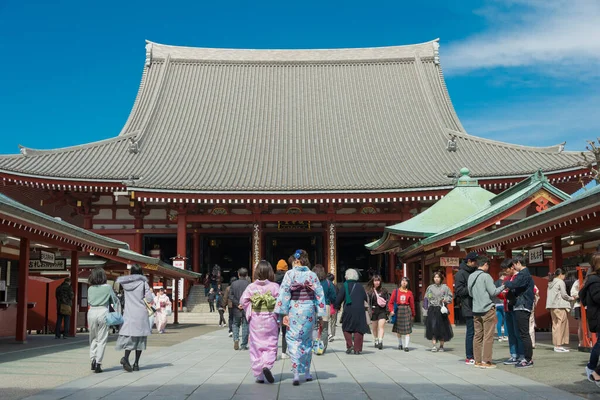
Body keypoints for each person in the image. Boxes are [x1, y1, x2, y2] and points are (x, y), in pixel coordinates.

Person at [274, 249, 325, 386]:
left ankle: (296, 373)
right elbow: (319, 294)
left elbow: (284, 293)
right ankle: (307, 372)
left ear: (296, 261)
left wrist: (282, 313)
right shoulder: (312, 275)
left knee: (292, 340)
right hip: (308, 310)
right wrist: (320, 313)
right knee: (307, 341)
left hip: (294, 310)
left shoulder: (290, 274)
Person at [240, 260, 280, 384]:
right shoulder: (274, 286)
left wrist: (251, 308)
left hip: (256, 319)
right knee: (271, 343)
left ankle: (260, 376)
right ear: (270, 272)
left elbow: (243, 301)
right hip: (270, 319)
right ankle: (267, 364)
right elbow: (280, 302)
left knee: (256, 346)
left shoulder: (251, 287)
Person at [115, 264, 154, 372]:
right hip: (140, 314)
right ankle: (136, 364)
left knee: (130, 338)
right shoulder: (143, 283)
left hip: (128, 313)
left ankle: (126, 357)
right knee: (140, 340)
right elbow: (149, 299)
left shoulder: (125, 283)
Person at [468, 256, 505, 368]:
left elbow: (470, 293)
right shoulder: (486, 276)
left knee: (477, 335)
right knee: (488, 336)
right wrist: (504, 286)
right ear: (485, 265)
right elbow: (493, 292)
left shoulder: (471, 276)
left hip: (476, 309)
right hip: (487, 308)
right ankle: (486, 361)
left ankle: (477, 360)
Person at [503, 255, 535, 368]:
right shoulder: (525, 274)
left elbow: (514, 284)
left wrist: (505, 283)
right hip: (521, 304)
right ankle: (526, 358)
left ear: (518, 263)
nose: (514, 267)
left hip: (522, 305)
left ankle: (527, 358)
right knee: (523, 333)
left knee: (524, 334)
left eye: (514, 264)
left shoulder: (524, 274)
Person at [87, 267, 119, 373]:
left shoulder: (90, 288)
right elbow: (115, 301)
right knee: (102, 339)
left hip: (91, 312)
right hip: (103, 311)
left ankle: (92, 359)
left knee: (93, 338)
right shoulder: (107, 287)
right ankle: (98, 363)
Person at [334, 268, 369, 355]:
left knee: (346, 327)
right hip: (360, 310)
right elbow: (365, 297)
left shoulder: (345, 285)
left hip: (348, 309)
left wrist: (336, 306)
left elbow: (339, 298)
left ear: (347, 276)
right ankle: (357, 349)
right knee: (358, 329)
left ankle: (350, 345)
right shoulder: (360, 286)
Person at [454, 252, 478, 364]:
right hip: (468, 305)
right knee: (471, 332)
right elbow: (459, 291)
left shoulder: (477, 272)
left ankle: (477, 354)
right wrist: (472, 289)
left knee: (479, 332)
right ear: (469, 261)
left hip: (479, 305)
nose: (476, 263)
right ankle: (469, 355)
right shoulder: (460, 274)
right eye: (474, 261)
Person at [579, 253, 600, 384]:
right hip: (598, 316)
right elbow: (598, 297)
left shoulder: (594, 279)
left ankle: (594, 369)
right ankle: (594, 370)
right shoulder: (595, 280)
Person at [499, 259, 524, 365]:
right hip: (507, 307)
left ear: (512, 267)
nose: (505, 272)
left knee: (518, 333)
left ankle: (521, 354)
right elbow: (502, 293)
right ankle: (513, 354)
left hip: (516, 307)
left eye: (506, 269)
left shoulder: (519, 277)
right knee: (511, 333)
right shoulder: (507, 279)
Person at [424, 271, 453, 352]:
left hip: (441, 309)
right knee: (433, 327)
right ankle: (434, 345)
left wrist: (446, 299)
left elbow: (450, 297)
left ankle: (441, 345)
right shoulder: (430, 288)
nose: (436, 279)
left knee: (442, 328)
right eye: (435, 277)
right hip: (432, 309)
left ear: (441, 278)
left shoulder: (445, 287)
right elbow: (426, 299)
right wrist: (425, 310)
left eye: (438, 277)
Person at [546, 268, 574, 352]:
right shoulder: (560, 282)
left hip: (552, 306)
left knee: (555, 325)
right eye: (564, 275)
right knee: (561, 325)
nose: (565, 277)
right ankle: (558, 345)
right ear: (561, 274)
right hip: (560, 306)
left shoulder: (551, 282)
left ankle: (556, 344)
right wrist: (571, 298)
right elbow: (564, 294)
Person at [313, 264, 336, 354]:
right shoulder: (328, 283)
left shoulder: (312, 282)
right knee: (324, 328)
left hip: (313, 306)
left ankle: (315, 347)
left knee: (314, 328)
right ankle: (322, 348)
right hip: (325, 306)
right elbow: (333, 296)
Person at [388, 277, 415, 352]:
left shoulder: (409, 292)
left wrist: (413, 314)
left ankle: (406, 346)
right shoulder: (395, 291)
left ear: (408, 283)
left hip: (407, 310)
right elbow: (390, 302)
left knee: (407, 329)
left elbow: (412, 304)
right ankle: (400, 343)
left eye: (406, 281)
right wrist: (391, 310)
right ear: (400, 282)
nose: (404, 282)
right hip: (398, 310)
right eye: (403, 281)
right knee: (399, 329)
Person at [365, 274, 388, 350]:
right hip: (373, 311)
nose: (377, 282)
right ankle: (376, 339)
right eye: (375, 281)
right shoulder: (370, 291)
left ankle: (380, 341)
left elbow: (388, 300)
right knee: (374, 328)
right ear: (373, 281)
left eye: (378, 280)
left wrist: (388, 311)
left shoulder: (384, 291)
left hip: (382, 310)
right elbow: (367, 301)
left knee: (381, 326)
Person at [230, 268, 250, 350]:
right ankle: (244, 344)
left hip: (236, 308)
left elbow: (231, 296)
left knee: (235, 324)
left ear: (238, 274)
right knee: (245, 325)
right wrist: (244, 304)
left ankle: (236, 339)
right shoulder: (249, 284)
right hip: (246, 308)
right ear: (246, 275)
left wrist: (238, 304)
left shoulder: (233, 284)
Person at [275, 259, 289, 358]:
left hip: (275, 307)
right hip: (285, 307)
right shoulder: (288, 277)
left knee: (275, 331)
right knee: (285, 330)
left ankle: (274, 353)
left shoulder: (273, 278)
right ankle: (284, 352)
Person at [494, 271, 508, 342]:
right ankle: (505, 335)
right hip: (503, 303)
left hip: (497, 303)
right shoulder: (505, 282)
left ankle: (499, 336)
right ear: (503, 275)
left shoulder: (495, 283)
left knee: (499, 321)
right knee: (506, 320)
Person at [326, 273, 339, 343]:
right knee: (333, 321)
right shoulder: (335, 287)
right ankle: (332, 334)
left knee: (327, 320)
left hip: (328, 304)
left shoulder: (326, 285)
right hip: (334, 306)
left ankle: (328, 333)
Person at [571, 277, 583, 348]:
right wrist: (580, 295)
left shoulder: (590, 280)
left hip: (588, 305)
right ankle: (581, 341)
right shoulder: (577, 282)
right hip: (579, 305)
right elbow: (573, 293)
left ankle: (591, 341)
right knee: (580, 325)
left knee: (589, 325)